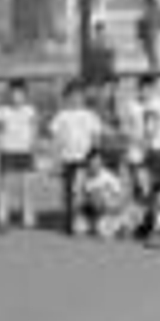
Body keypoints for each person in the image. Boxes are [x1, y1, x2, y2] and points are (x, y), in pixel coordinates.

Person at [0, 78, 40, 232]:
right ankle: (2, 218)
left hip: (25, 151)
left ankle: (28, 219)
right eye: (13, 93)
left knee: (26, 186)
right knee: (4, 187)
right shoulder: (2, 110)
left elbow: (34, 127)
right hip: (7, 151)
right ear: (9, 94)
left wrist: (33, 143)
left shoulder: (30, 110)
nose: (16, 97)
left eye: (20, 94)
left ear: (25, 95)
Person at [47, 80, 105, 234]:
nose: (76, 99)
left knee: (89, 191)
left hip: (85, 160)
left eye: (79, 95)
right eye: (72, 96)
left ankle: (92, 221)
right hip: (68, 159)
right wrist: (55, 160)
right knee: (68, 192)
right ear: (66, 97)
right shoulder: (61, 116)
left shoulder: (90, 115)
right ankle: (69, 222)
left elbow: (96, 137)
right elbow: (56, 140)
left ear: (83, 97)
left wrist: (96, 157)